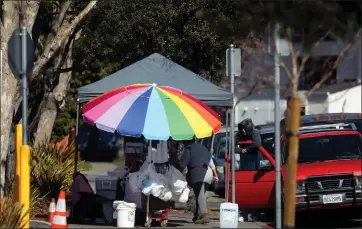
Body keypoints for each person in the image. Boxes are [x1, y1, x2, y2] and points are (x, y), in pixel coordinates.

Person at [235, 118, 262, 221]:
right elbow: (231, 145)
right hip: (244, 167)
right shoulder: (239, 135)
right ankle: (243, 214)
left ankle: (255, 214)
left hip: (255, 167)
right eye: (241, 129)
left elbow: (257, 144)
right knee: (244, 191)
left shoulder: (255, 132)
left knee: (255, 191)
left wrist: (247, 150)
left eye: (244, 129)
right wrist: (241, 150)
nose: (243, 131)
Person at [179, 138, 211, 224]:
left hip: (197, 174)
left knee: (199, 193)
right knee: (199, 194)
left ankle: (204, 215)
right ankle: (197, 215)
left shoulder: (189, 149)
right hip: (208, 172)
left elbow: (183, 164)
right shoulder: (202, 147)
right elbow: (209, 156)